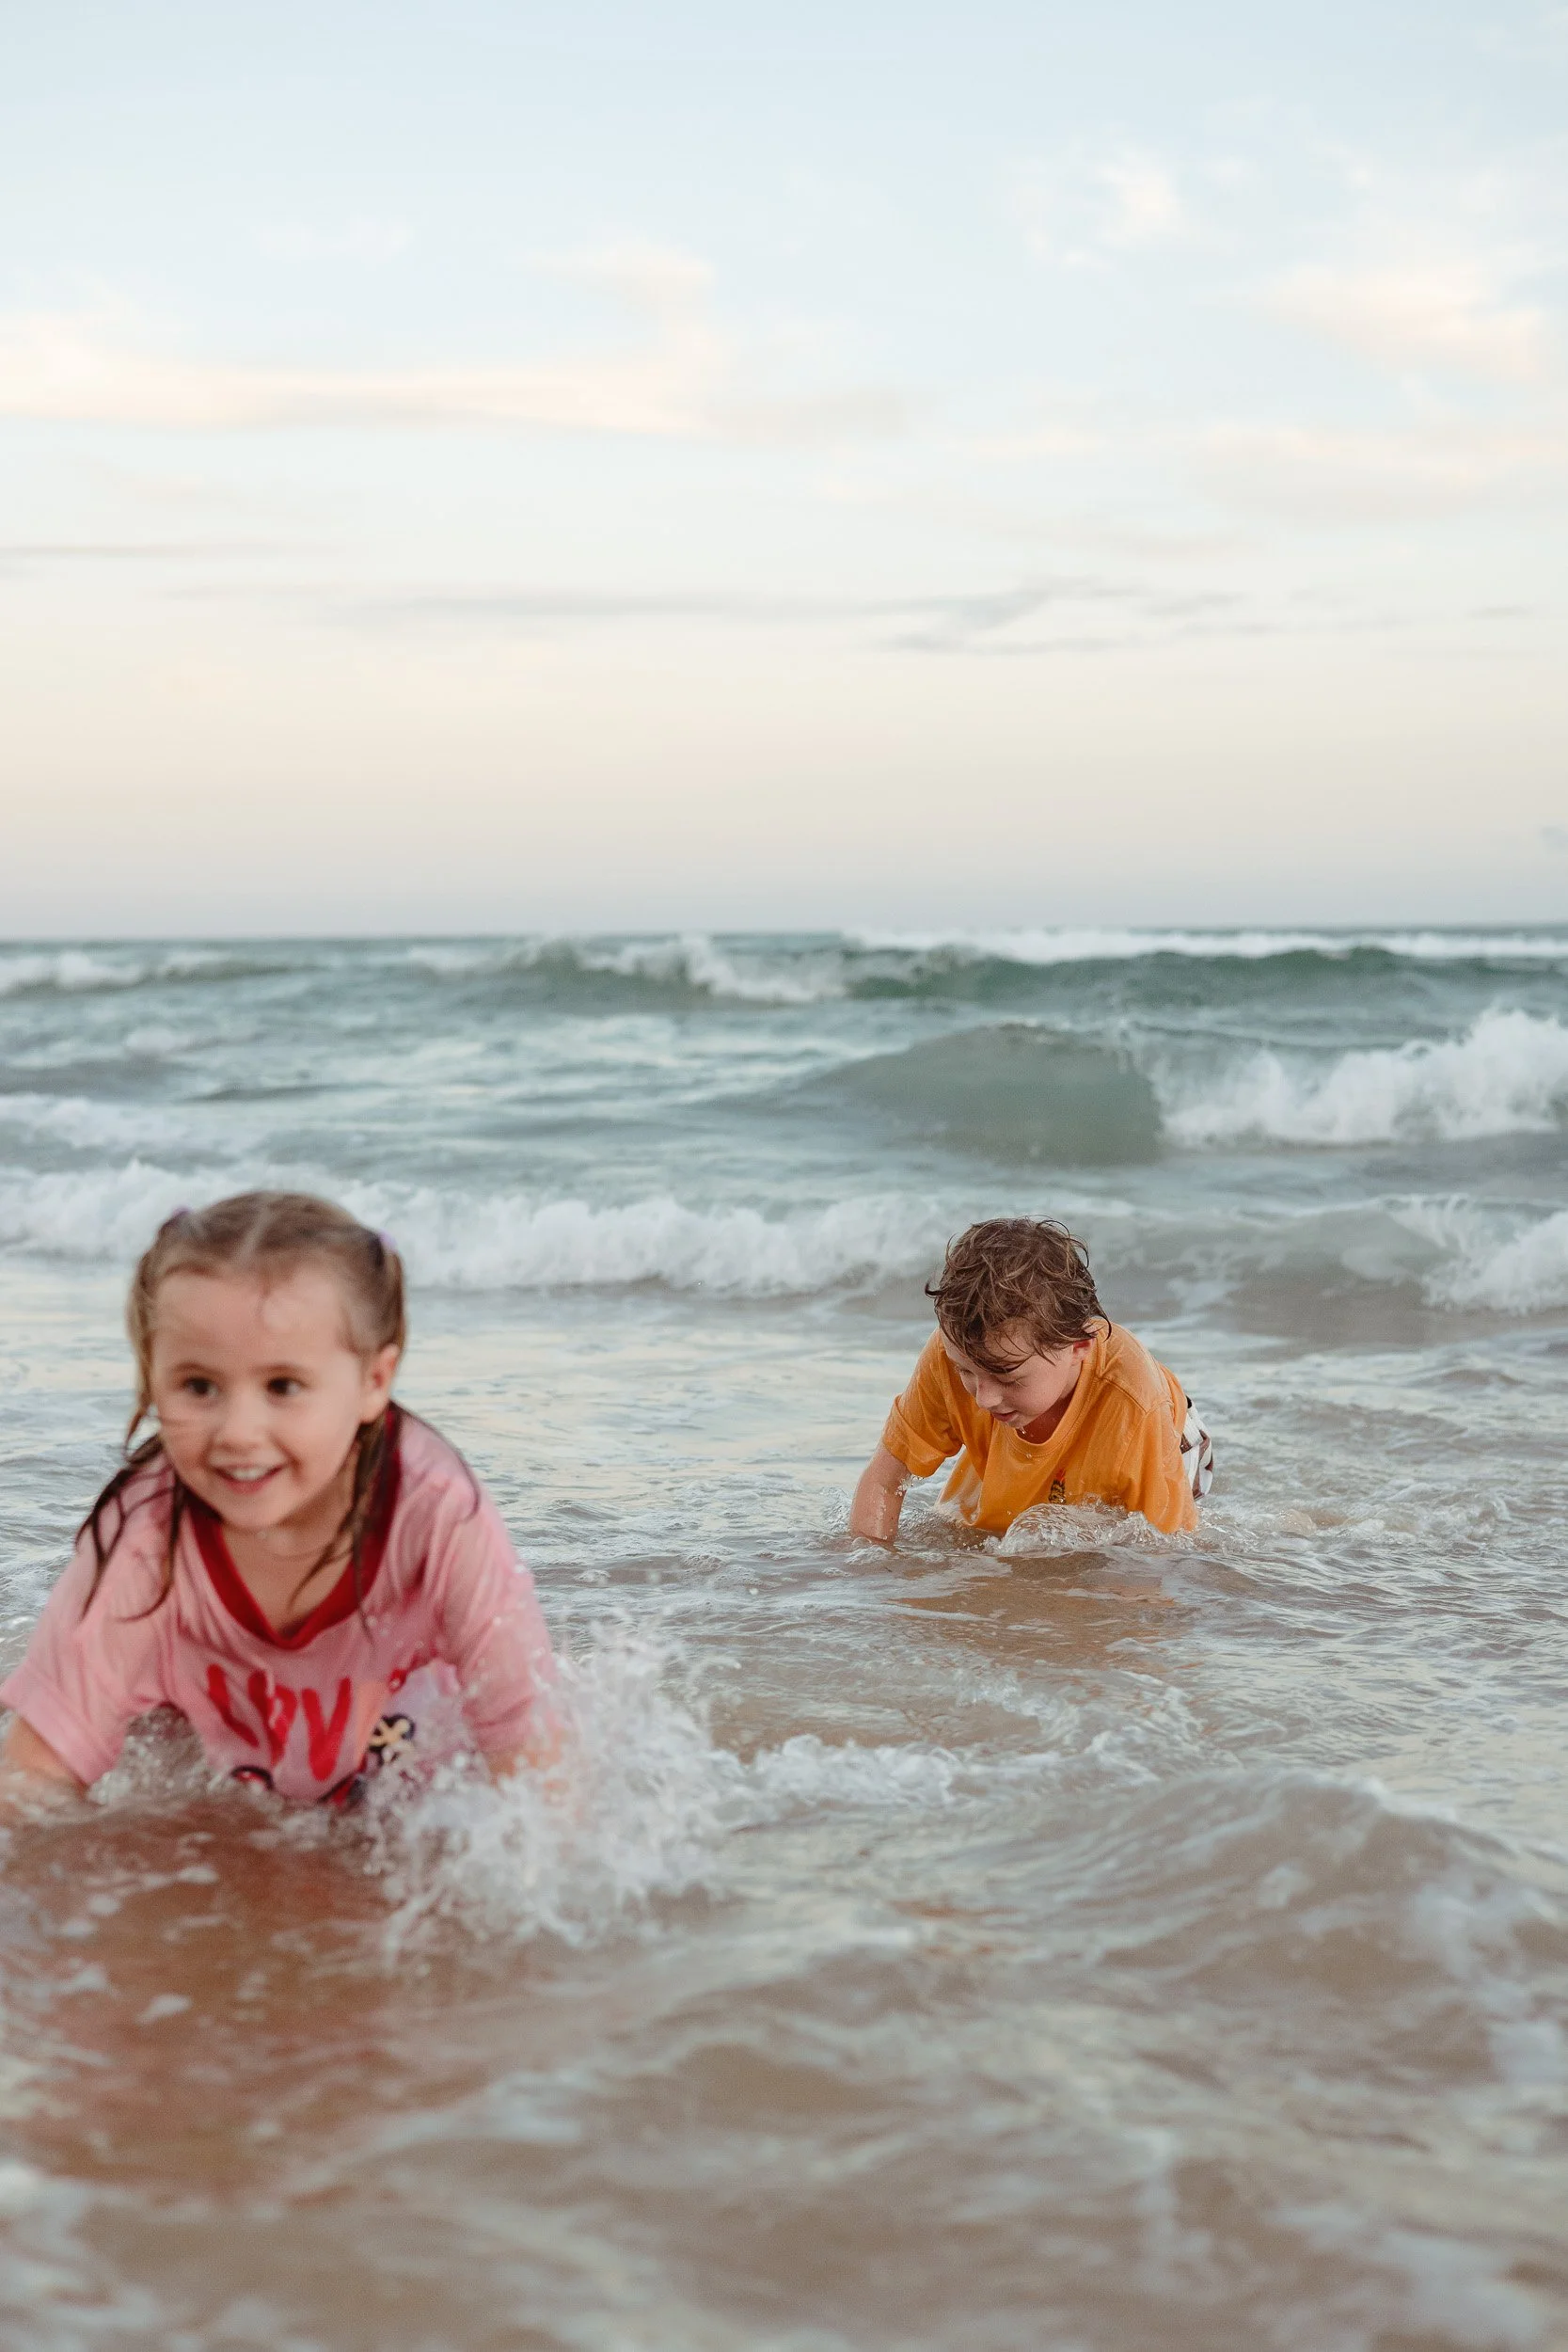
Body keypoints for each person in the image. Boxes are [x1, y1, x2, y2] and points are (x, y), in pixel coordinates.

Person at [0, 1193, 562, 1807]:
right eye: (198, 1386)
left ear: (374, 1382)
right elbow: (32, 1781)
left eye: (283, 1386)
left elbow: (534, 1762)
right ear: (150, 1372)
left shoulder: (436, 1517)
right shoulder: (143, 1545)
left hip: (413, 1780)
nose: (238, 1430)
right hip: (229, 1805)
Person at [849, 1217, 1212, 1544]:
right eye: (966, 1372)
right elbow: (885, 1479)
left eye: (1007, 1376)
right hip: (1027, 1426)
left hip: (1168, 1438)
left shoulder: (1135, 1405)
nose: (983, 1399)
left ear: (1078, 1347)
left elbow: (1165, 1554)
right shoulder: (956, 1350)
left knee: (1105, 1544)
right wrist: (871, 1579)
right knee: (977, 1528)